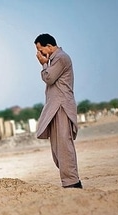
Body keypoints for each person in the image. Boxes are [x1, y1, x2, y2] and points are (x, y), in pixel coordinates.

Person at [34, 33, 82, 189]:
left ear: (49, 47)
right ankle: (68, 180)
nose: (38, 54)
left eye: (40, 50)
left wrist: (43, 64)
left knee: (64, 146)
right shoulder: (54, 60)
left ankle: (72, 183)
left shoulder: (61, 58)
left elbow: (49, 78)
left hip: (62, 107)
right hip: (54, 107)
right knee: (56, 149)